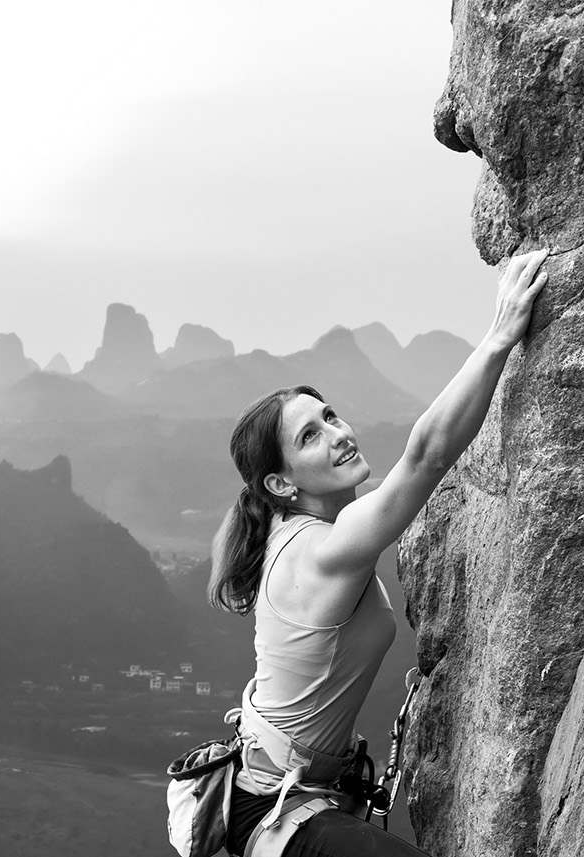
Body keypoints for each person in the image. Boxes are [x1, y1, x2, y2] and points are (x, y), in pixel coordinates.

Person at [208, 248, 550, 856]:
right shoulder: (320, 553)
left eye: (330, 415)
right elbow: (424, 458)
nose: (338, 435)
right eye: (310, 436)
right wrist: (499, 337)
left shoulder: (309, 534)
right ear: (282, 485)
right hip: (273, 810)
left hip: (294, 791)